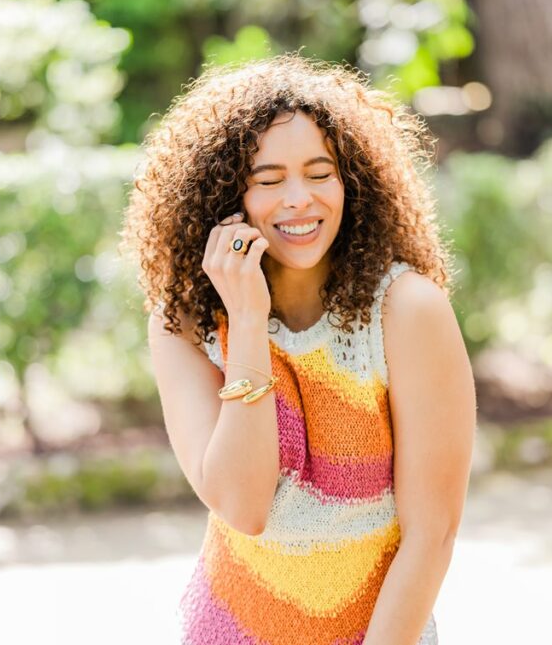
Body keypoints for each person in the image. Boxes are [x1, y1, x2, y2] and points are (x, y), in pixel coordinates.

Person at [121, 51, 477, 645]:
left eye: (320, 173)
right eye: (268, 180)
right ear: (222, 197)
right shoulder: (183, 325)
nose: (299, 200)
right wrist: (248, 320)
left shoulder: (407, 312)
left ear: (352, 182)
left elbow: (432, 533)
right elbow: (243, 505)